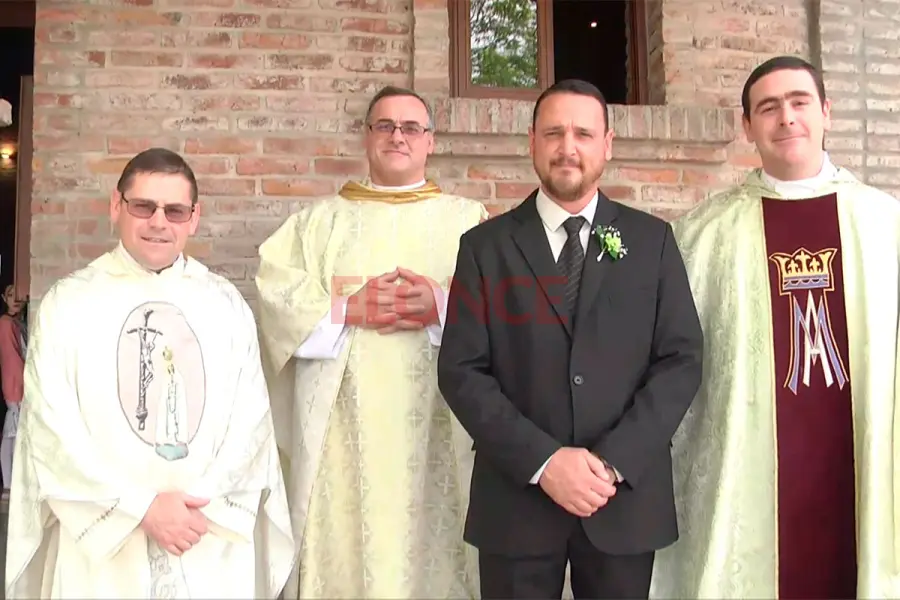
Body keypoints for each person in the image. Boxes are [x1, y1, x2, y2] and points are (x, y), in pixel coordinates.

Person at [436, 78, 704, 600]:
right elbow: (462, 371)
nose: (568, 147)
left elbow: (680, 360)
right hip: (516, 501)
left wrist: (611, 462)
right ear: (532, 141)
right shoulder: (484, 248)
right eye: (554, 132)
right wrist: (545, 462)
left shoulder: (652, 242)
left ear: (607, 144)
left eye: (583, 132)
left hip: (620, 501)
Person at [649, 55, 900, 599]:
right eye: (768, 108)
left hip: (859, 456)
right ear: (748, 126)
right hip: (750, 470)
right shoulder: (705, 234)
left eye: (799, 102)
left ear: (826, 113)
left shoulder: (886, 225)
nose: (786, 118)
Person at [5, 148, 296, 599]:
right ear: (116, 207)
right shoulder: (69, 304)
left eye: (175, 210)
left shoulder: (225, 306)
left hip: (203, 534)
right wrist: (139, 509)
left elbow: (252, 422)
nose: (159, 222)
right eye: (144, 206)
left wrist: (192, 510)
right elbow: (51, 426)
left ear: (194, 218)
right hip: (104, 546)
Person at [254, 85, 488, 599]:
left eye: (410, 128)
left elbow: (505, 322)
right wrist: (345, 311)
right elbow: (277, 300)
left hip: (438, 426)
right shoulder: (317, 224)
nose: (397, 136)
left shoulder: (470, 223)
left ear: (430, 142)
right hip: (343, 436)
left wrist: (444, 309)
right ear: (366, 138)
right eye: (385, 126)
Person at [0, 284, 26, 490]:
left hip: (19, 382)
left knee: (15, 433)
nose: (15, 298)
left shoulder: (19, 323)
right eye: (10, 294)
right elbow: (12, 359)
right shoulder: (6, 323)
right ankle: (9, 483)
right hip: (16, 383)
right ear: (4, 298)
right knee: (12, 433)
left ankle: (11, 483)